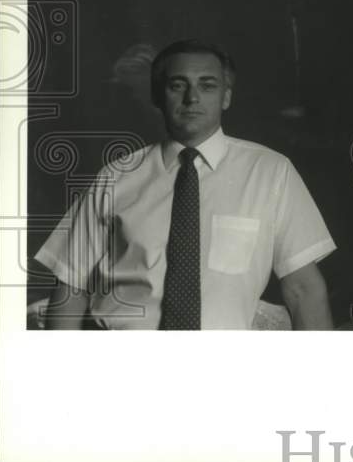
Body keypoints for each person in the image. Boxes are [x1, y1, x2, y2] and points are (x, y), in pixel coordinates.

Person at [36, 39, 335, 330]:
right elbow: (70, 288)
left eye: (207, 85)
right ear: (157, 96)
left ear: (226, 97)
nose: (192, 98)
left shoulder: (271, 172)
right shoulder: (115, 177)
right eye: (178, 85)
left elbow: (303, 290)